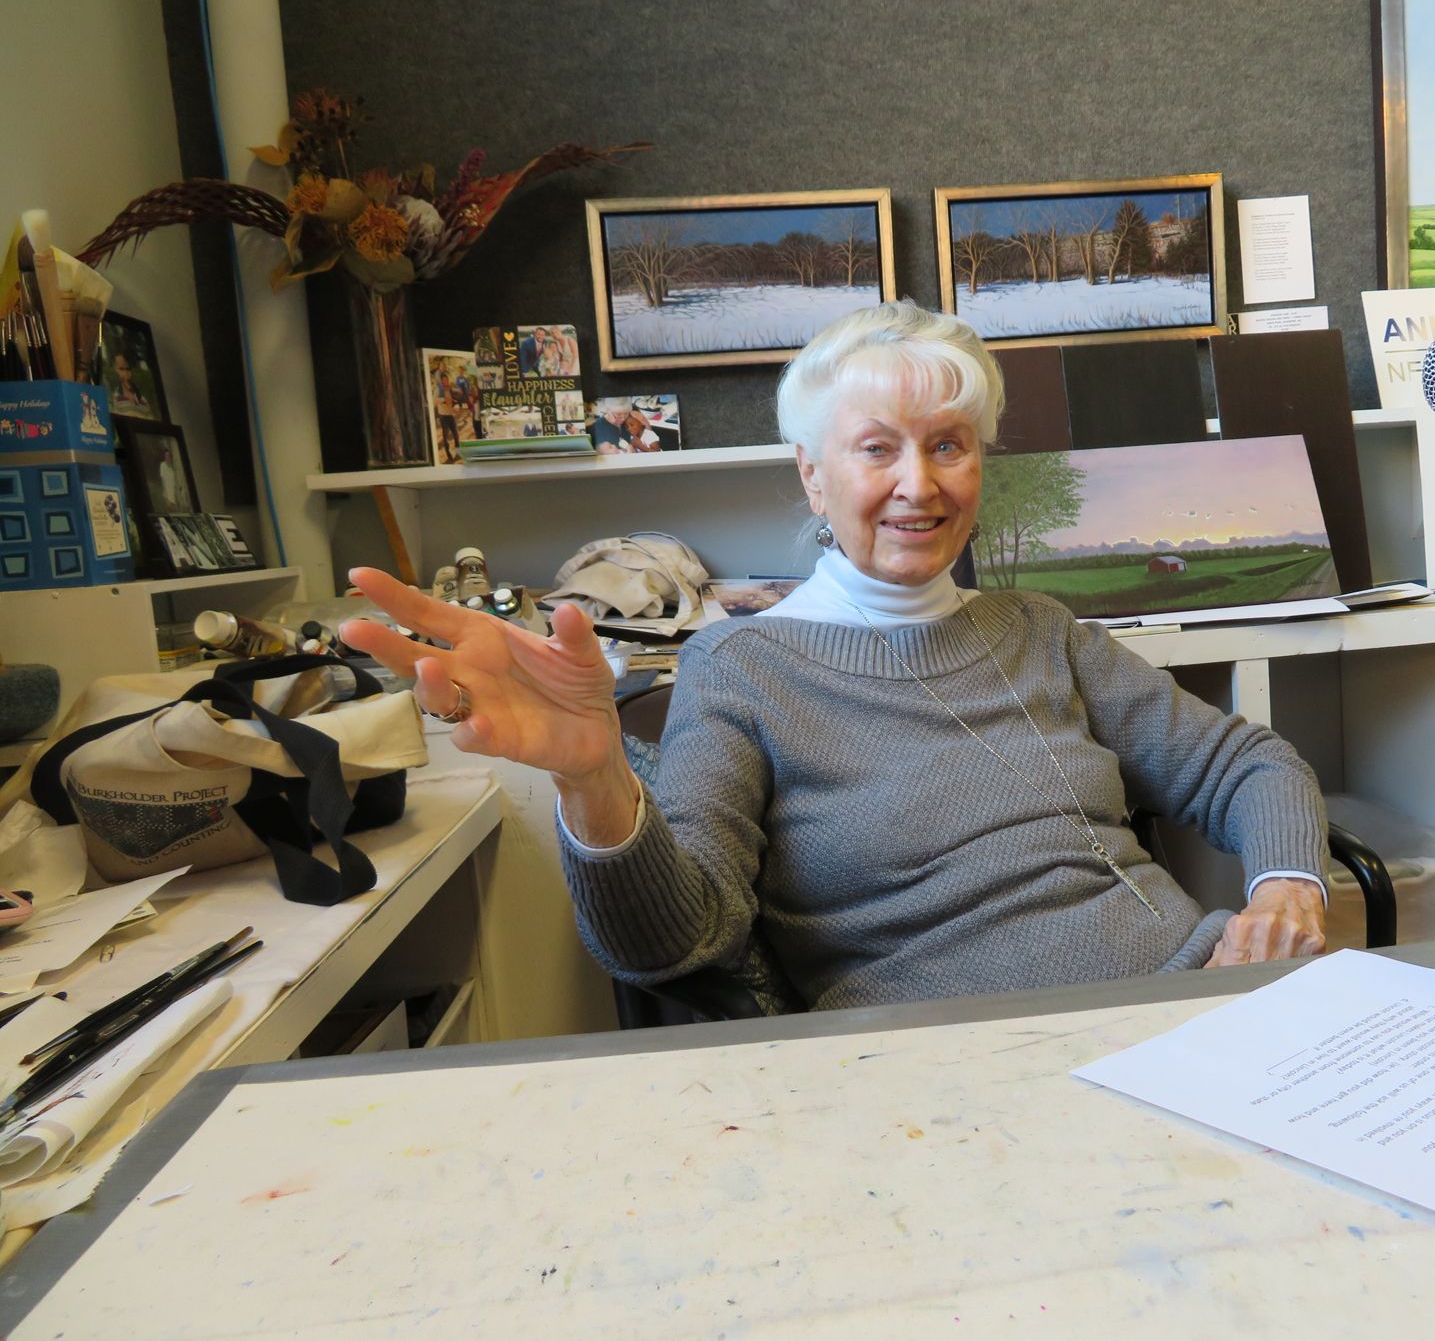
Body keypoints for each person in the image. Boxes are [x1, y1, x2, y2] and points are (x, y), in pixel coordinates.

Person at [341, 302, 1328, 1014]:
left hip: (1194, 1000)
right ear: (813, 476)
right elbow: (676, 943)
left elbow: (1251, 762)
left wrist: (1287, 883)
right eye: (876, 450)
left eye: (950, 445)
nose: (919, 485)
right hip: (945, 1080)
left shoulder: (1040, 629)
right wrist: (595, 781)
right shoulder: (743, 667)